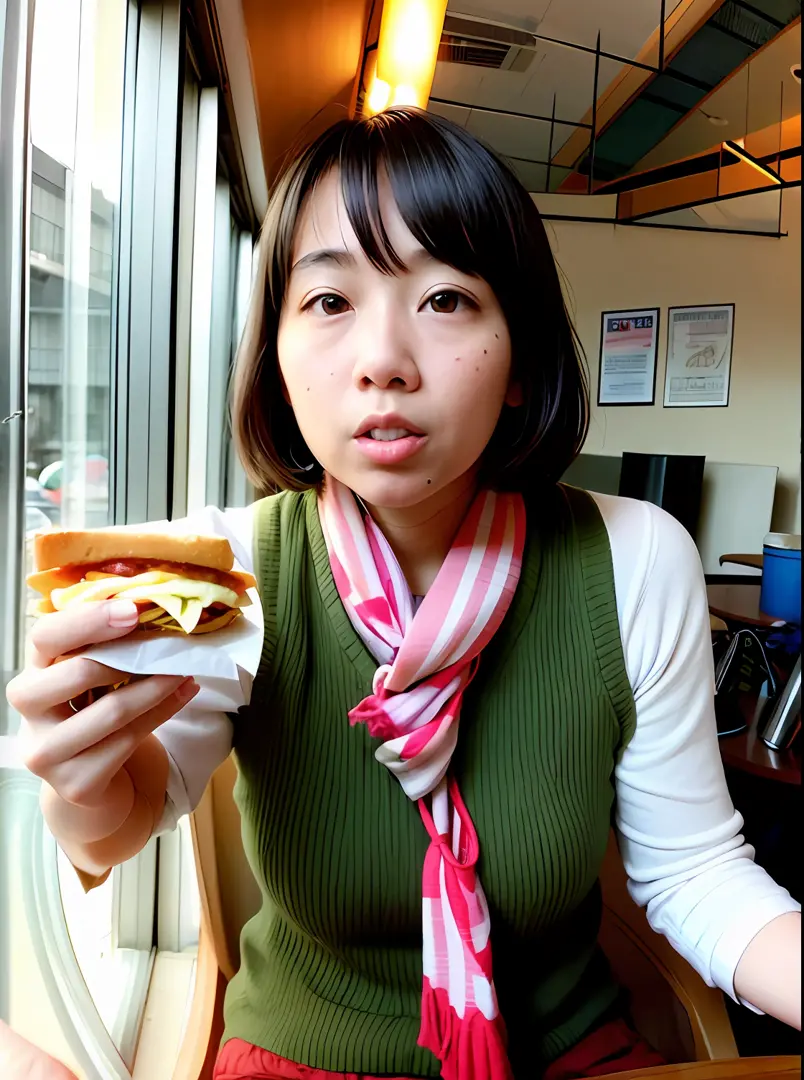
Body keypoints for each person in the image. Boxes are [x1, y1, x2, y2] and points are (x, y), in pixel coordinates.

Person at [6, 108, 801, 1080]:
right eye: (331, 300)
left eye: (447, 299)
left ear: (519, 360)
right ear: (279, 357)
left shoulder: (636, 559)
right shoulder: (232, 569)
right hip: (301, 1054)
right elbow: (133, 811)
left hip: (561, 1053)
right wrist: (79, 784)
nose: (383, 359)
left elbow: (695, 873)